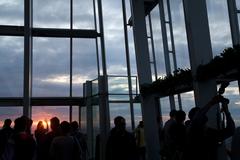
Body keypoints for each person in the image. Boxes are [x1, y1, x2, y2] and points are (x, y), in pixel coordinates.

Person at [183, 95, 235, 160]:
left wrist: (226, 112)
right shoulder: (190, 131)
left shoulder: (209, 132)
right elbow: (197, 118)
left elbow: (230, 131)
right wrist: (212, 102)